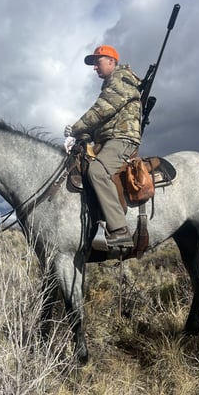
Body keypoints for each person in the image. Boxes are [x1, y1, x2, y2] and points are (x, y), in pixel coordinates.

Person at [64, 45, 142, 247]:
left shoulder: (120, 79)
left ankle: (120, 229)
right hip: (108, 138)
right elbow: (103, 121)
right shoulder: (112, 83)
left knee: (97, 172)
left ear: (111, 61)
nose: (94, 67)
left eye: (97, 62)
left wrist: (74, 129)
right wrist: (83, 135)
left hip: (122, 138)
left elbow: (101, 110)